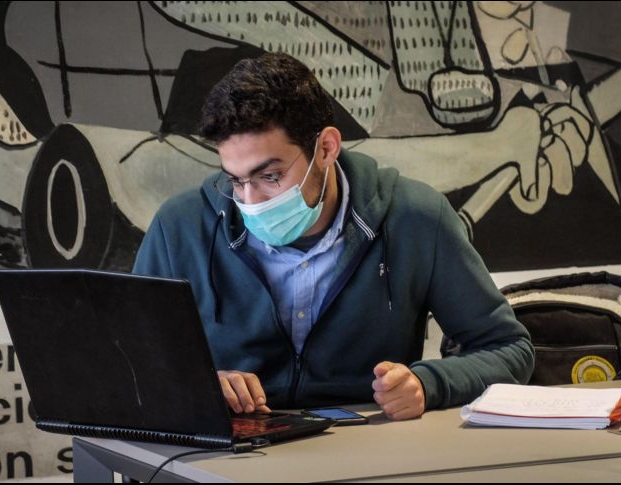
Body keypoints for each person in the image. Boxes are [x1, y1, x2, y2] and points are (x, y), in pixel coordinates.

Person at [133, 52, 534, 421]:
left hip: (366, 450)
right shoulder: (180, 227)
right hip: (227, 452)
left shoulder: (417, 218)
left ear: (326, 147)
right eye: (236, 181)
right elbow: (130, 363)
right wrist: (200, 384)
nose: (251, 201)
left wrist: (429, 384)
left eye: (270, 176)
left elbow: (509, 350)